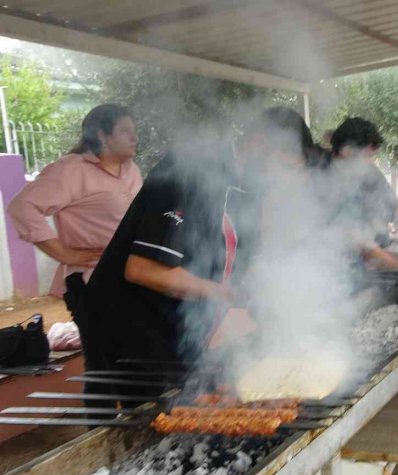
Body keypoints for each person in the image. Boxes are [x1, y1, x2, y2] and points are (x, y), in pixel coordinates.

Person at [80, 107, 312, 404]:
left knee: (195, 399)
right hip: (128, 320)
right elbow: (143, 269)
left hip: (178, 321)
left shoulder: (249, 190)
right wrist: (225, 294)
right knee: (153, 423)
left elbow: (246, 261)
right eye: (284, 169)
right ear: (258, 144)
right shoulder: (189, 170)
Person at [8, 104, 142, 308]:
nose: (135, 138)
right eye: (125, 131)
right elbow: (22, 206)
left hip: (132, 275)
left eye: (134, 131)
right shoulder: (72, 170)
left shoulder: (132, 170)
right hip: (94, 280)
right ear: (102, 135)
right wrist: (64, 254)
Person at [328, 117, 398, 269]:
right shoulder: (320, 180)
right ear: (347, 152)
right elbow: (355, 239)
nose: (371, 162)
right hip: (339, 271)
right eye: (368, 156)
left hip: (374, 260)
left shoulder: (369, 174)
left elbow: (390, 209)